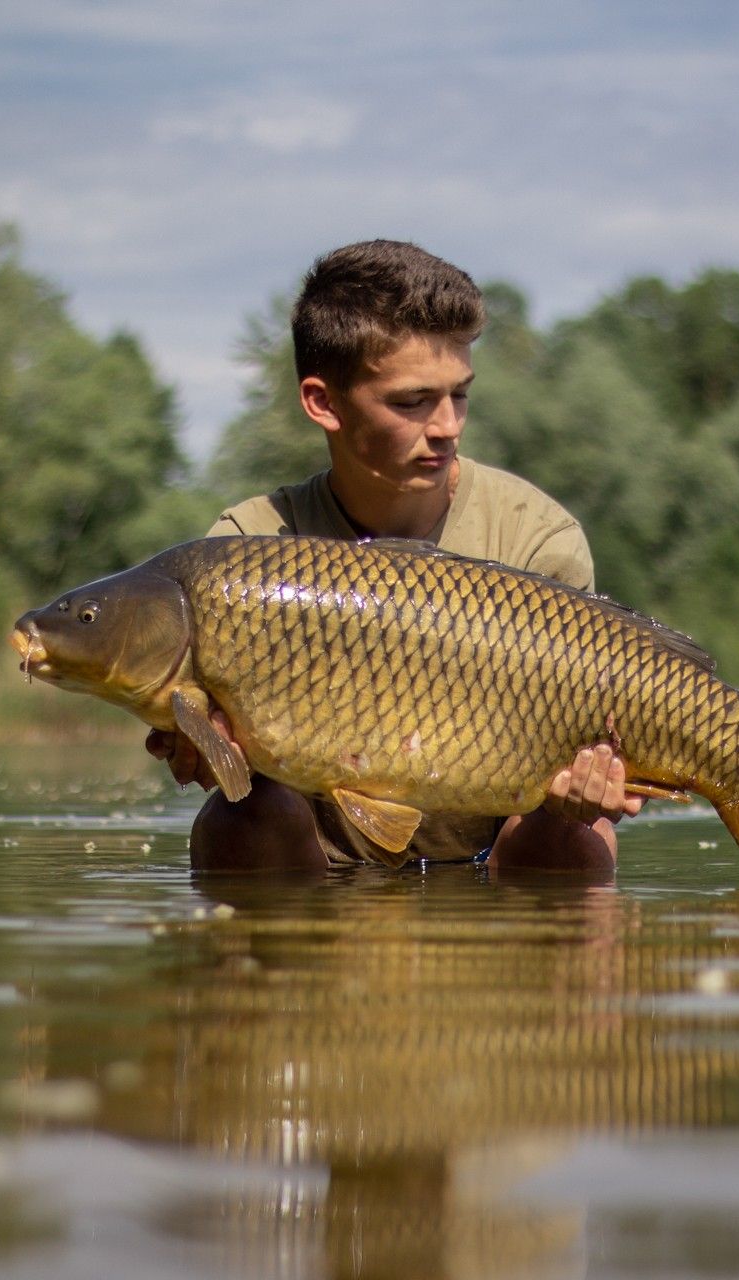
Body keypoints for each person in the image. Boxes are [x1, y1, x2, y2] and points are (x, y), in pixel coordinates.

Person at [147, 240, 641, 873]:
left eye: (459, 395)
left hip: (501, 850)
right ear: (323, 403)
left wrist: (595, 777)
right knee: (244, 819)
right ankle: (270, 965)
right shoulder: (247, 550)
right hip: (320, 859)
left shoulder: (535, 537)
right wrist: (207, 753)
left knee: (577, 838)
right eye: (413, 402)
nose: (448, 427)